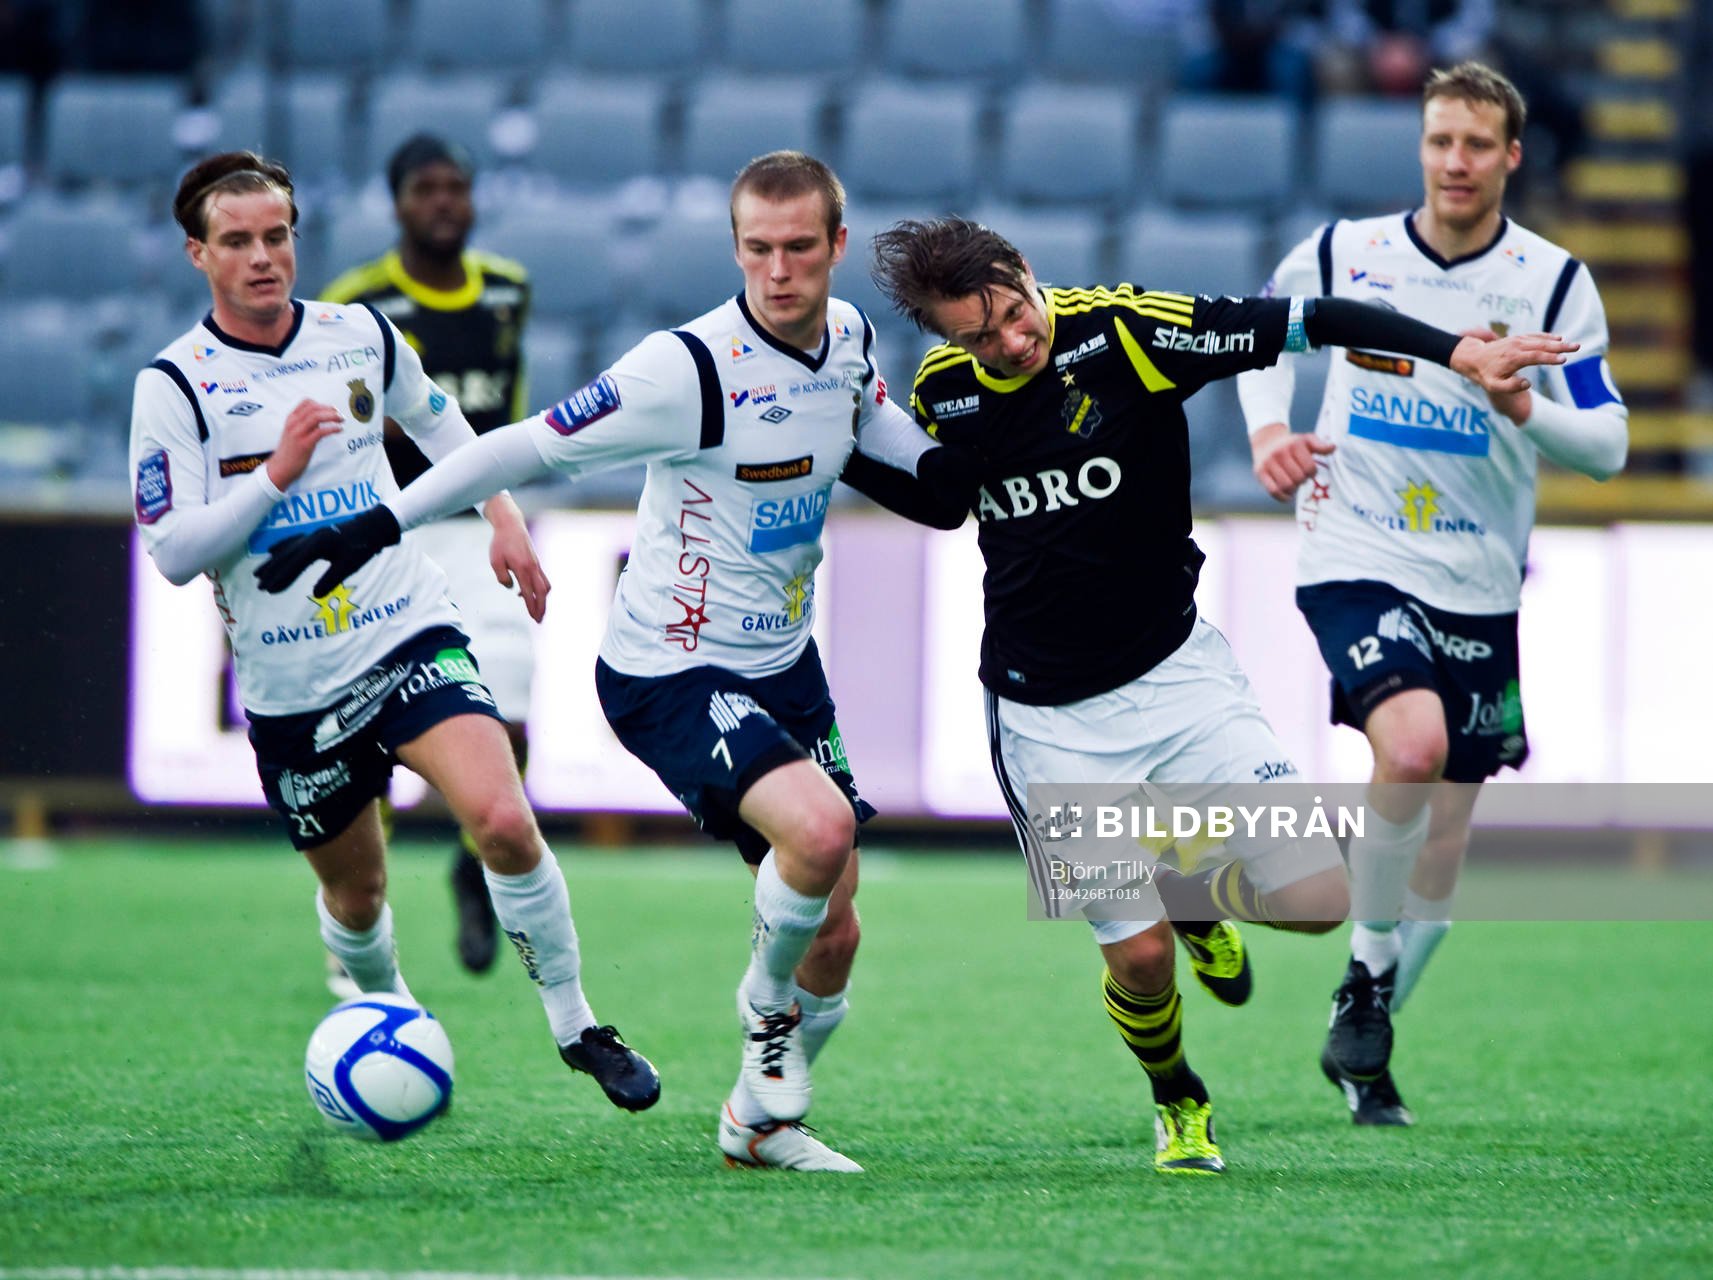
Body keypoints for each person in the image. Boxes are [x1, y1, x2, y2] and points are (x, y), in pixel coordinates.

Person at [255, 151, 947, 1173]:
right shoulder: (689, 367)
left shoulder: (845, 338)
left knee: (835, 932)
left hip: (784, 661)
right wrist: (380, 519)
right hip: (670, 667)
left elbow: (899, 450)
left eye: (801, 248)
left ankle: (758, 1121)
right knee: (822, 828)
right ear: (736, 247)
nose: (780, 270)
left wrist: (994, 444)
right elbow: (521, 444)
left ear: (837, 246)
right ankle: (761, 1019)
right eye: (757, 248)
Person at [864, 214, 1577, 1174]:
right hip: (1046, 720)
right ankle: (1178, 1098)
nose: (1007, 344)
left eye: (1010, 314)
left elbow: (1313, 318)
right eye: (976, 336)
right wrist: (839, 440)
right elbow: (947, 500)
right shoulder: (941, 390)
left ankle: (1185, 884)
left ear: (1027, 273)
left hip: (1180, 676)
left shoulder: (1129, 332)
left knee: (1322, 897)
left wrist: (1457, 351)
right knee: (1145, 961)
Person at [130, 150, 659, 1118]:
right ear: (197, 253)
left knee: (501, 814)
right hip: (294, 684)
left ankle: (578, 1023)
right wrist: (274, 474)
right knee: (358, 897)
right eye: (238, 240)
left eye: (278, 235)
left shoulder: (358, 335)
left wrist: (500, 510)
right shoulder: (174, 384)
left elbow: (441, 415)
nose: (263, 257)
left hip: (405, 624)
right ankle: (386, 1010)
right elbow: (172, 552)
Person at [1236, 62, 1627, 1125]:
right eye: (1438, 140)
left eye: (1475, 144)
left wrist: (1522, 406)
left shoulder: (1552, 285)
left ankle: (1362, 1041)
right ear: (1421, 146)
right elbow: (1256, 335)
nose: (1454, 161)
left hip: (1479, 577)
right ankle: (1365, 978)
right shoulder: (1342, 253)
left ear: (1510, 156)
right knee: (1407, 748)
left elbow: (1608, 440)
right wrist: (1270, 431)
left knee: (1446, 835)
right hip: (1355, 548)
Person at [321, 134, 534, 980]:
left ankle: (475, 861)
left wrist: (504, 507)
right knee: (373, 731)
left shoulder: (511, 290)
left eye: (457, 187)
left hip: (477, 527)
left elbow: (503, 415)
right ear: (397, 202)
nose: (444, 202)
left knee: (511, 706)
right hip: (390, 537)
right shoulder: (357, 304)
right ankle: (365, 895)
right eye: (426, 190)